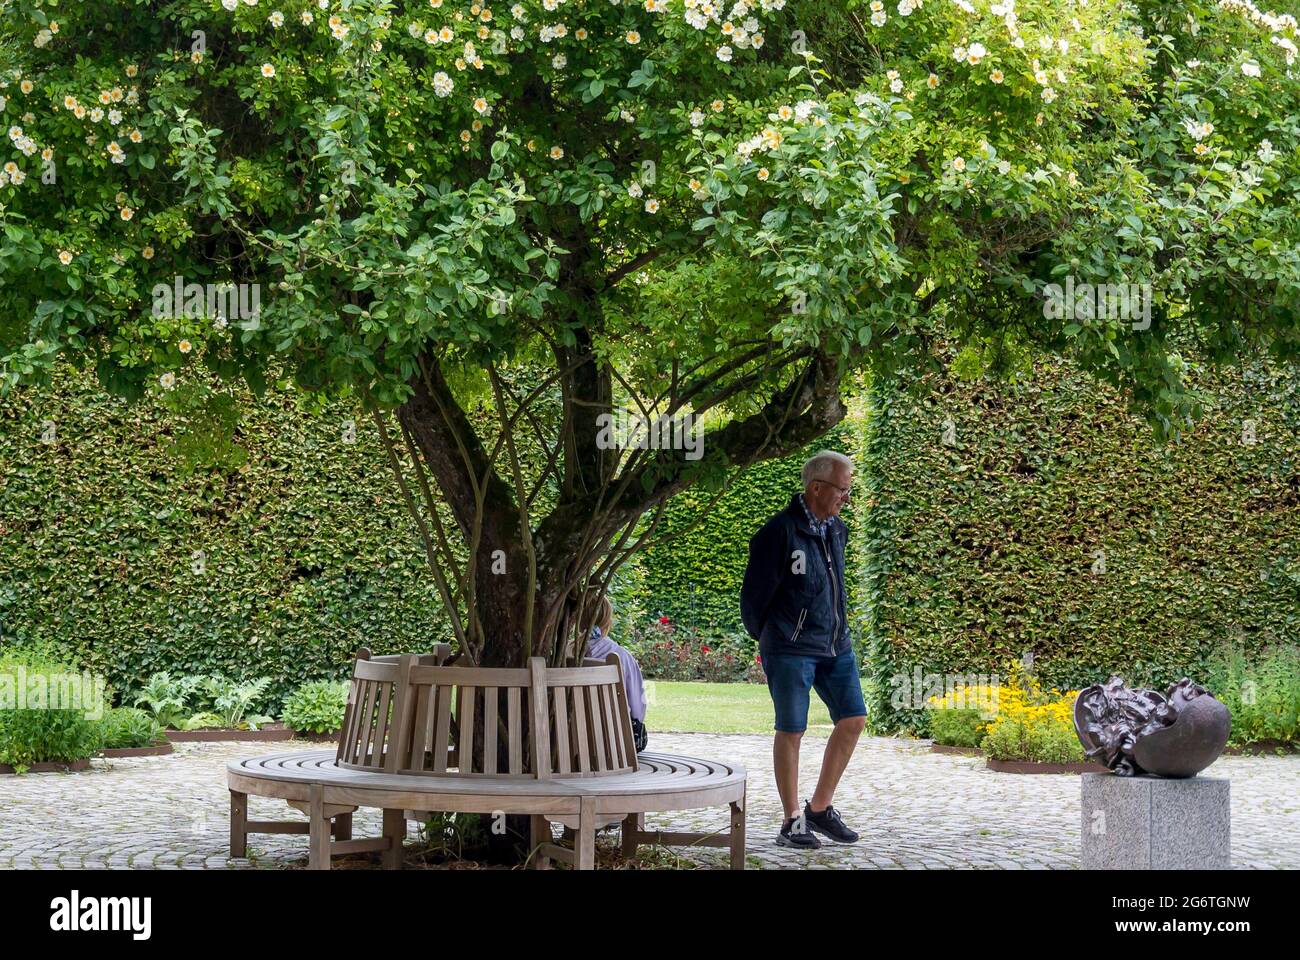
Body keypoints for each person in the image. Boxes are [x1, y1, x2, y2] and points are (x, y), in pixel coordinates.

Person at [740, 450, 867, 848]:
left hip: (835, 644)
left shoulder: (837, 529)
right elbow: (753, 600)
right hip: (790, 649)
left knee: (853, 719)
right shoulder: (778, 532)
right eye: (842, 490)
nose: (846, 498)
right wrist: (772, 640)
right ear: (816, 487)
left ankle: (820, 809)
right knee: (792, 729)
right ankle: (792, 819)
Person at [579, 593, 649, 753]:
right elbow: (637, 709)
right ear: (607, 621)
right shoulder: (621, 657)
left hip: (569, 740)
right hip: (613, 742)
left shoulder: (564, 655)